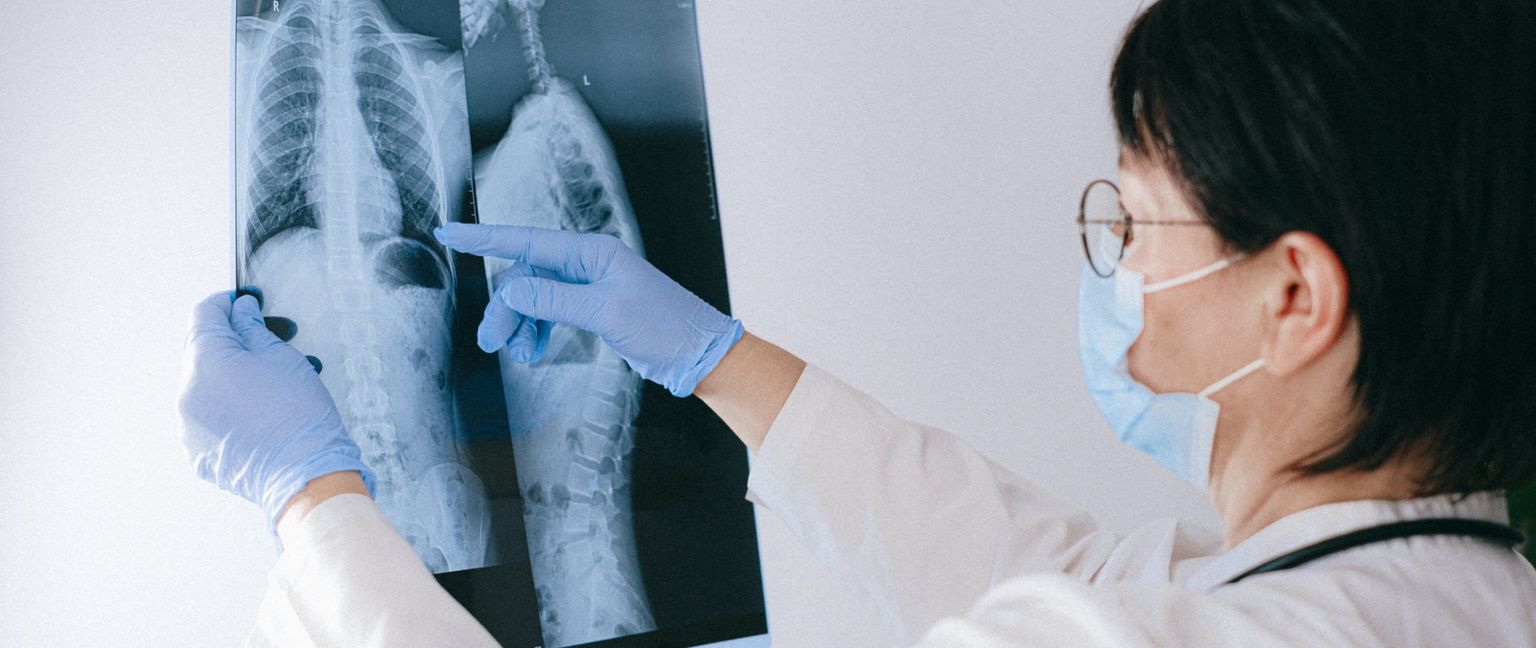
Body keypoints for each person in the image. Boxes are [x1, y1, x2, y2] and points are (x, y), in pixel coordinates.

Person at [177, 0, 1536, 645]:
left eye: (1134, 224)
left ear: (1294, 299)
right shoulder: (1461, 598)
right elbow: (1068, 568)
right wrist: (716, 359)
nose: (1111, 265)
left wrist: (322, 509)